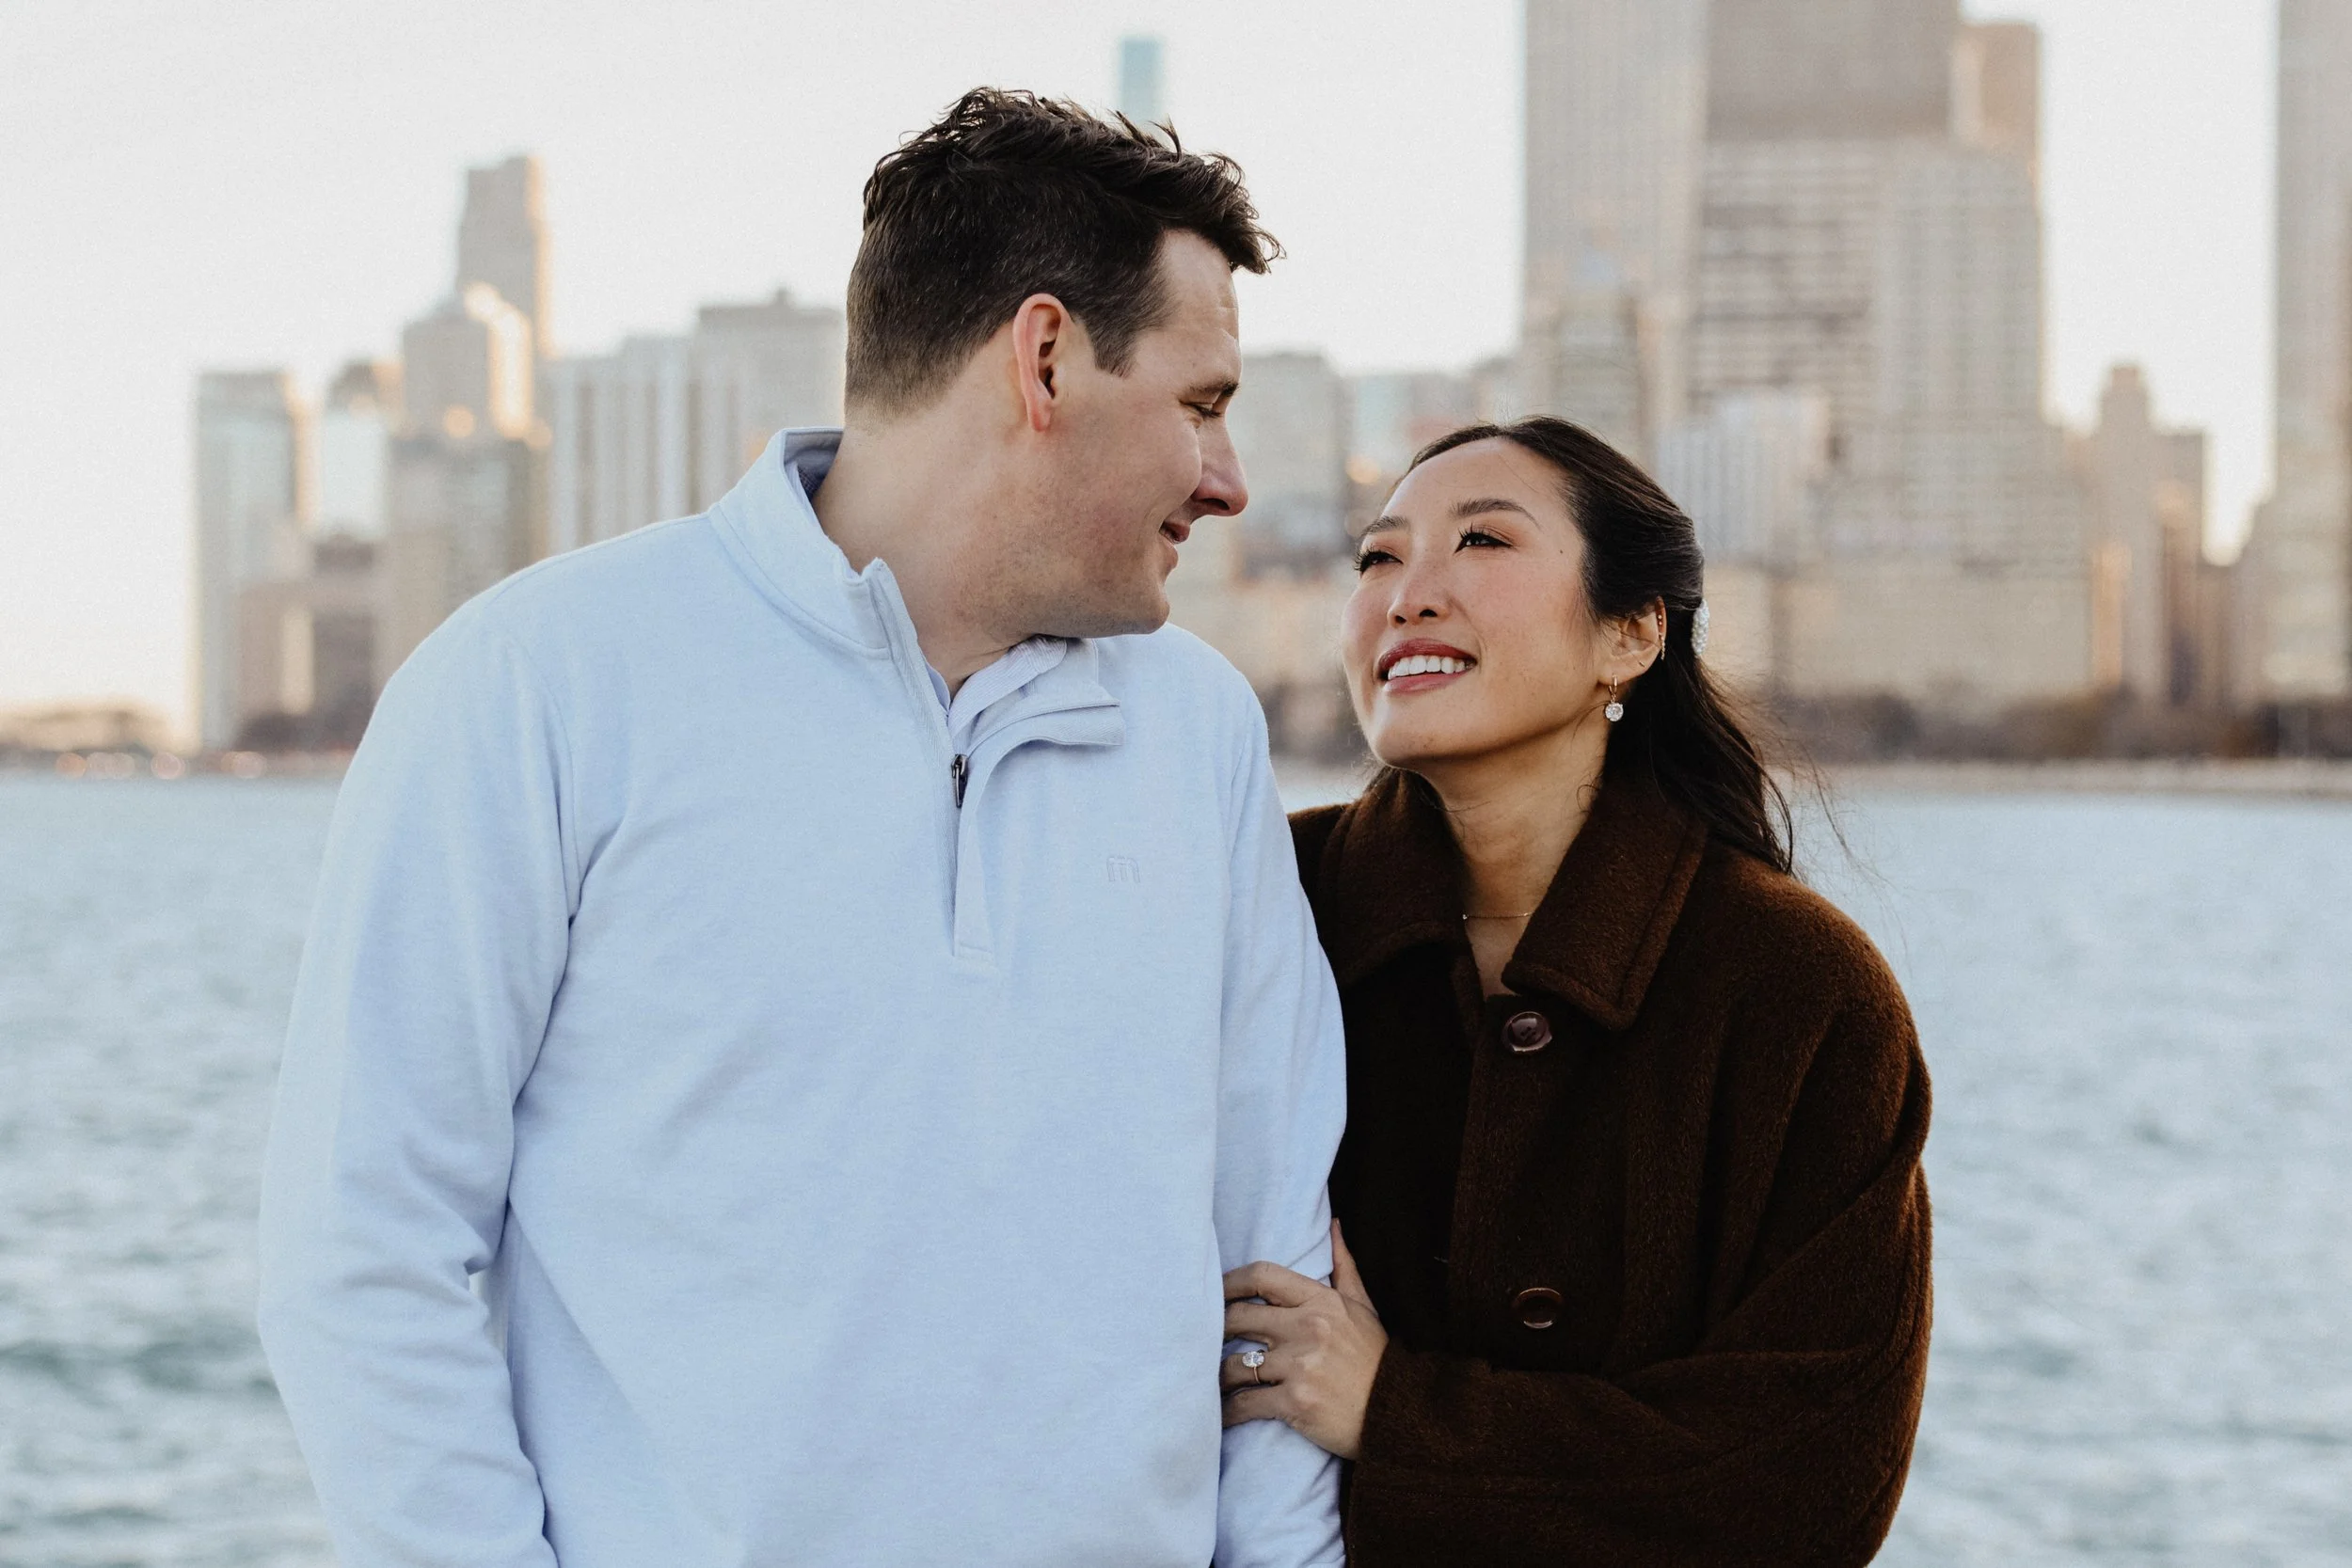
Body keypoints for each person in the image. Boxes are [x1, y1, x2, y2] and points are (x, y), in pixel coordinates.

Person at [257, 90, 1347, 1568]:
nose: (1227, 480)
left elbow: (1269, 1259)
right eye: (1203, 404)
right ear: (1043, 359)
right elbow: (365, 1243)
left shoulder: (1204, 735)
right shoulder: (539, 681)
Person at [1218, 418, 1932, 1565]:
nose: (1408, 594)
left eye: (1483, 542)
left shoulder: (1798, 990)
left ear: (1633, 632)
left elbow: (1805, 1479)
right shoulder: (1259, 900)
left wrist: (1399, 1413)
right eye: (1379, 557)